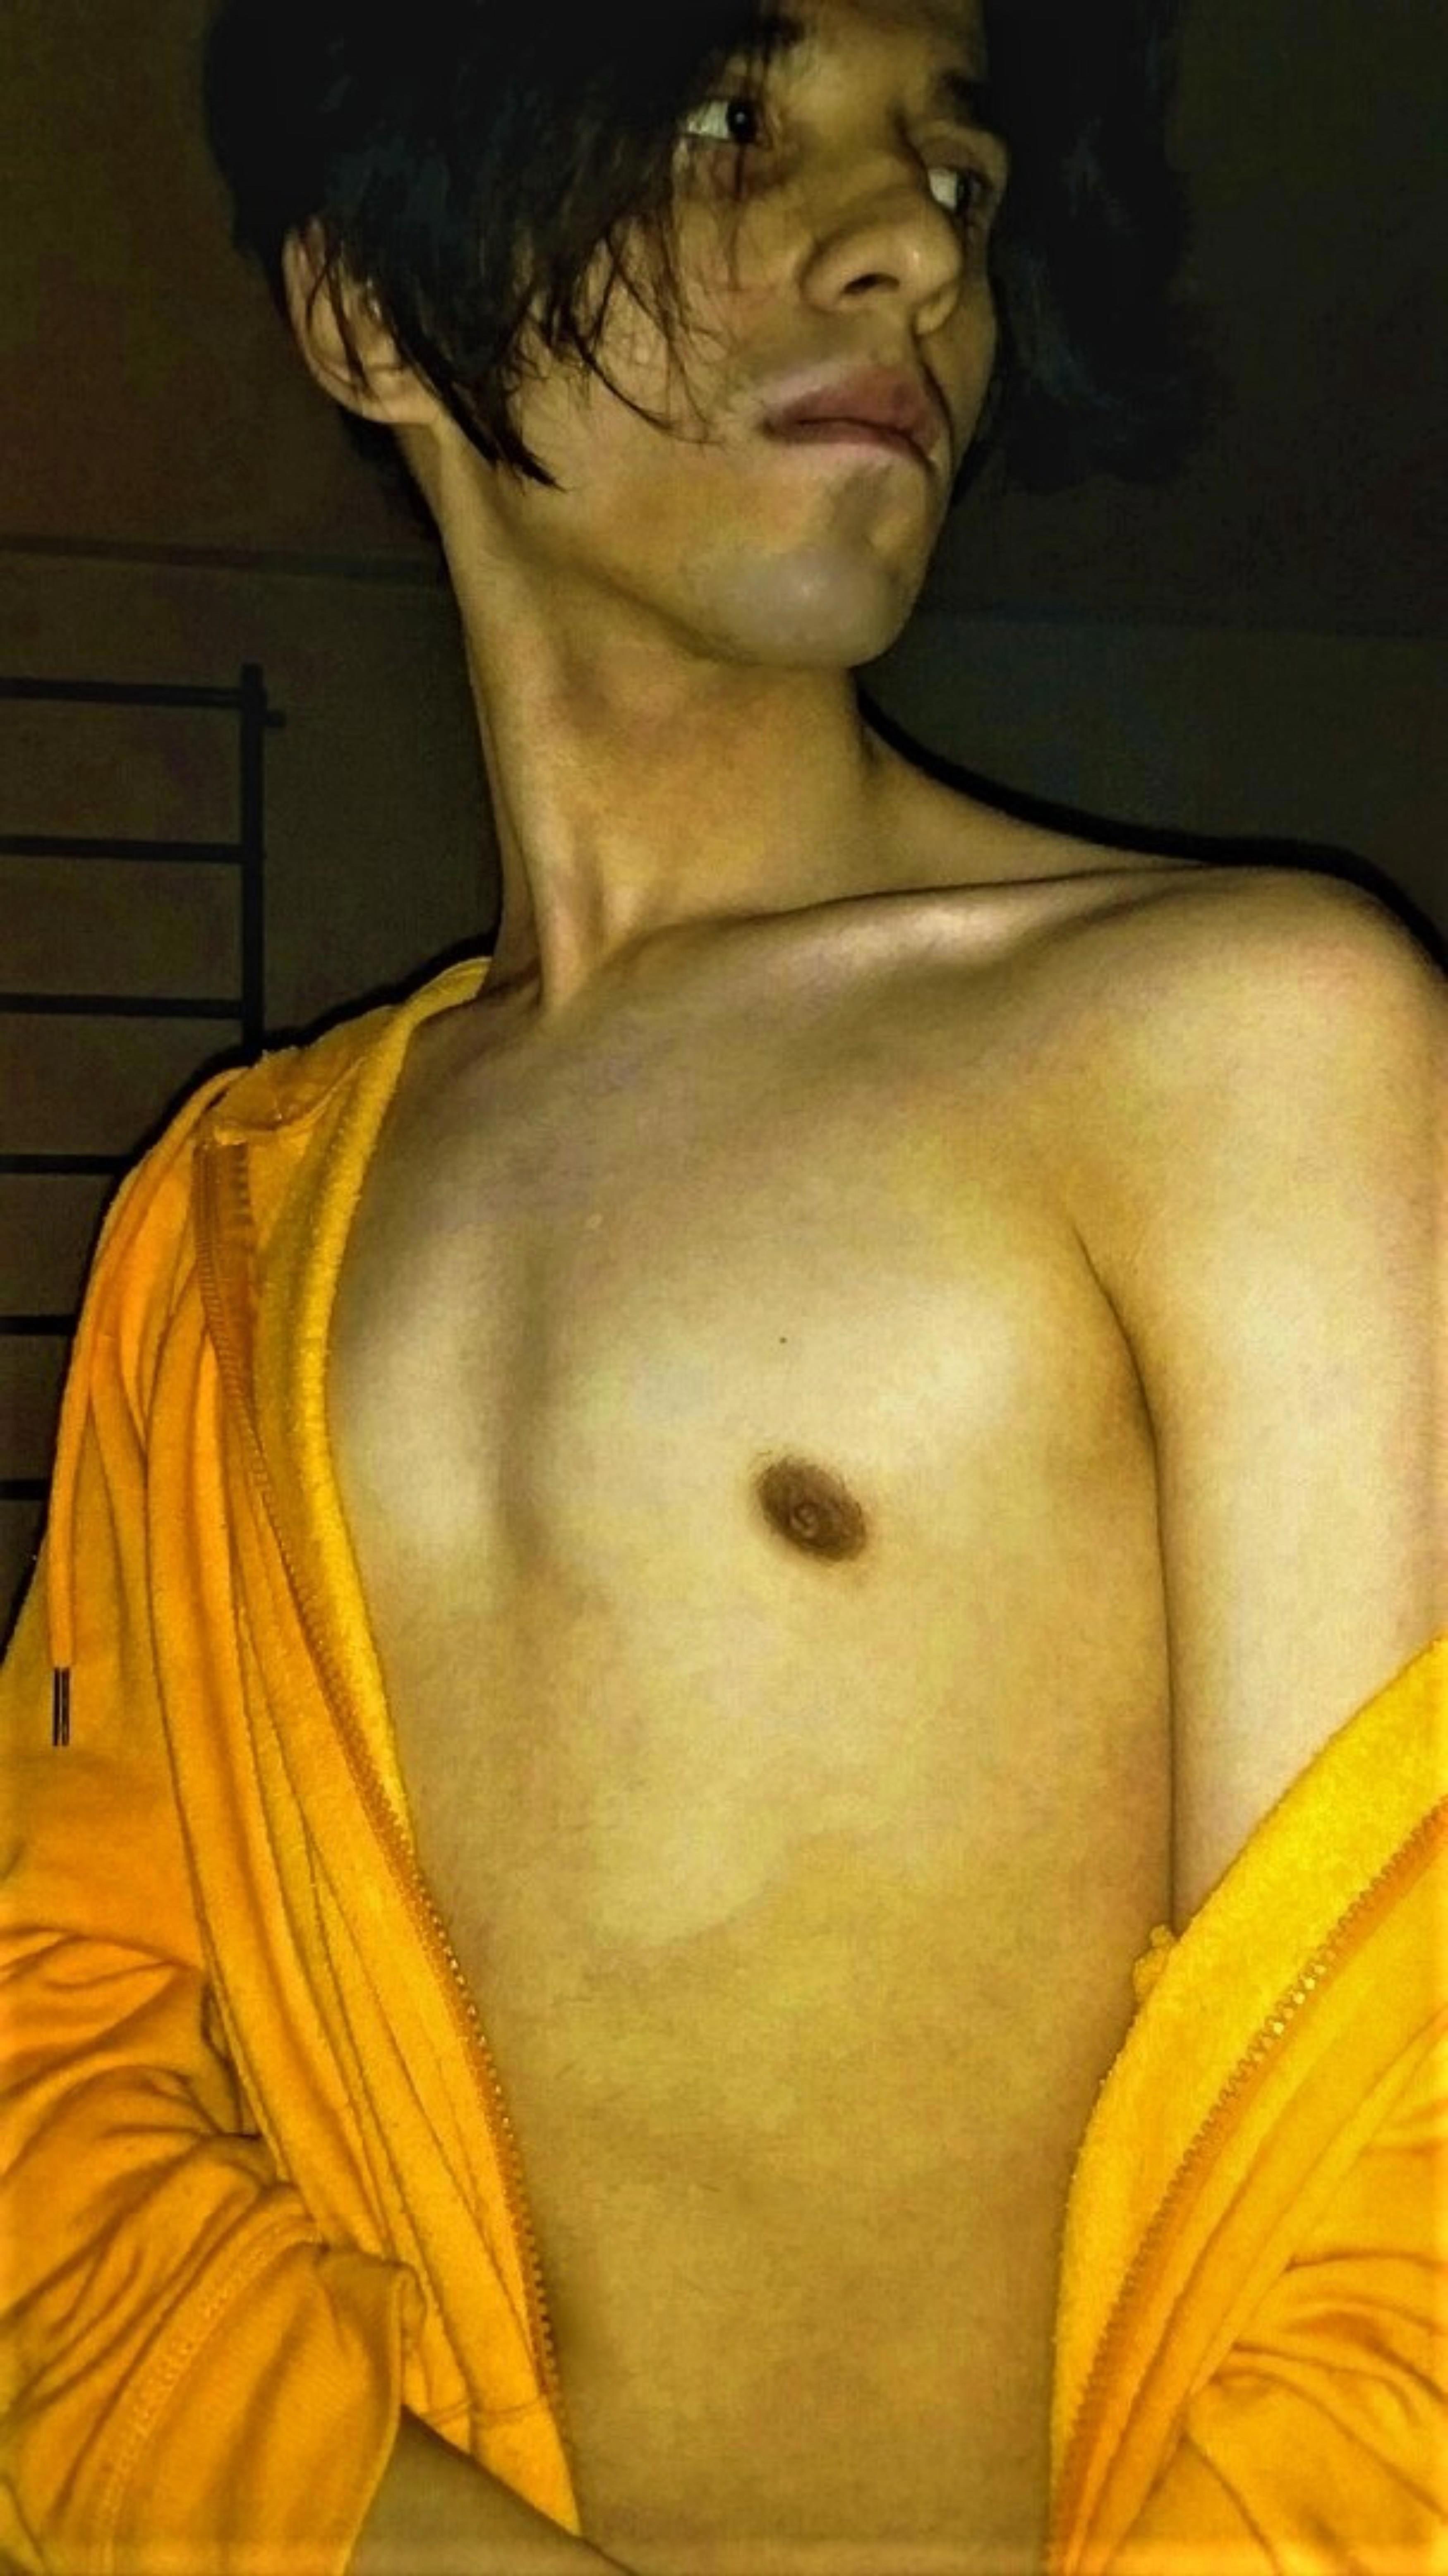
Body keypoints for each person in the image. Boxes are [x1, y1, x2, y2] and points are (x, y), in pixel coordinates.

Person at [2, 0, 1443, 2569]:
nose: (913, 255)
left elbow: (1409, 2185)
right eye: (724, 121)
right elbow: (56, 2059)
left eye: (955, 176)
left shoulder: (1244, 1052)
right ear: (365, 310)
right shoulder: (221, 1229)